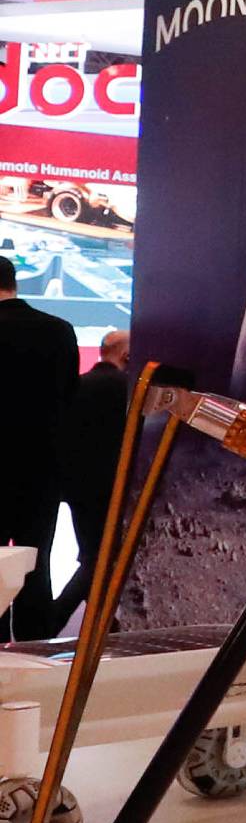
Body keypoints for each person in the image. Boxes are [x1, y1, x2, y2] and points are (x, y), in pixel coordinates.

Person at [0, 253, 81, 640]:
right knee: (38, 561)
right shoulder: (60, 330)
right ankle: (37, 647)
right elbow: (69, 398)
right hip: (43, 468)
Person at [51, 329, 130, 632]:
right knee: (102, 559)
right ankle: (56, 618)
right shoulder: (124, 391)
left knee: (93, 556)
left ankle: (105, 624)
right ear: (127, 356)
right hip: (110, 489)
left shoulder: (79, 386)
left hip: (77, 488)